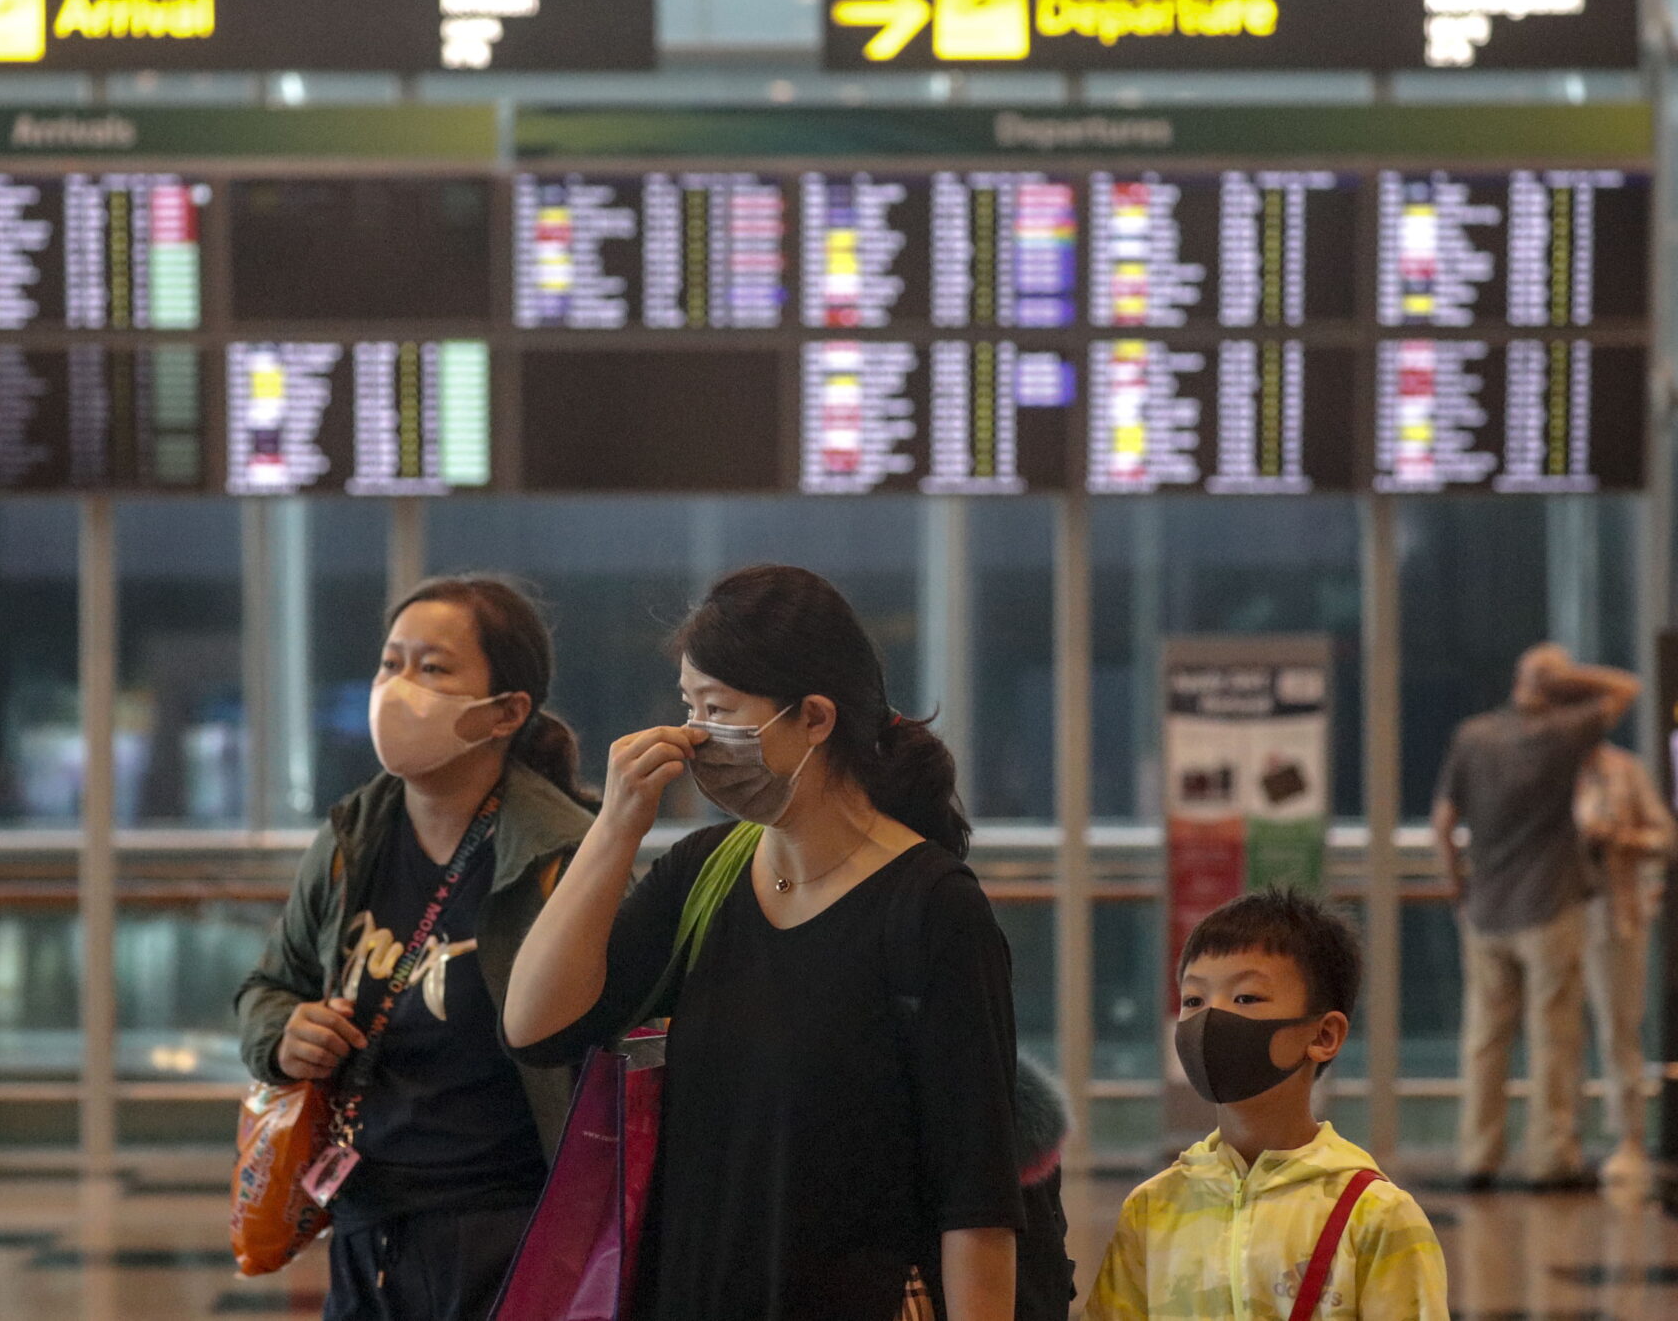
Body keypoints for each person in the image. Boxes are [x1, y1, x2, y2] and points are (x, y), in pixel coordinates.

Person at [504, 564, 1040, 1321]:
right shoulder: (704, 872)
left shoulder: (930, 908)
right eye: (688, 706)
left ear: (814, 718)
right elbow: (536, 1025)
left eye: (717, 710)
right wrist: (617, 827)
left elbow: (976, 1195)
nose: (689, 737)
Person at [235, 576, 594, 1321]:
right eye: (389, 663)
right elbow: (271, 986)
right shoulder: (349, 842)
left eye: (432, 668)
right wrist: (283, 1033)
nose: (398, 689)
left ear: (506, 712)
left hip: (507, 1228)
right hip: (365, 1223)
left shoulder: (560, 859)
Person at [1083, 888, 1448, 1321]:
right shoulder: (1151, 1208)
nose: (1209, 1020)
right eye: (1193, 1000)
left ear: (1323, 1036)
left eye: (1245, 998)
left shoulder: (1376, 1216)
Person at [1431, 643, 1639, 1189]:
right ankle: (1551, 1160)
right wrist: (1569, 679)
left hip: (1486, 908)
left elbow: (1442, 821)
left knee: (1484, 1039)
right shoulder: (1561, 734)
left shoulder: (1472, 736)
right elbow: (1626, 688)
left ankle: (1478, 1157)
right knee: (1553, 1038)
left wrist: (1459, 887)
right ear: (1556, 688)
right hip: (1550, 906)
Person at [1574, 738, 1675, 1185]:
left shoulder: (1623, 769)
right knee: (1558, 1036)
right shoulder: (1547, 767)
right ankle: (1565, 1140)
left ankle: (1629, 1138)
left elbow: (1664, 838)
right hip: (1557, 915)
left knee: (1619, 1029)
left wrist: (1619, 838)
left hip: (1616, 916)